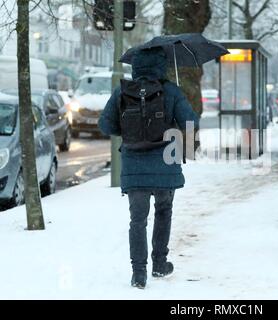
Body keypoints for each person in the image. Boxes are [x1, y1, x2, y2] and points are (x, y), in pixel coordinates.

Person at [98, 47, 199, 289]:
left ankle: (139, 273)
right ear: (161, 65)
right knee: (164, 212)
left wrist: (129, 130)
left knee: (138, 220)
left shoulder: (122, 92)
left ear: (136, 66)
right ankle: (160, 264)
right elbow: (191, 122)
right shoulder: (171, 90)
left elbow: (105, 125)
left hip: (134, 166)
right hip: (166, 162)